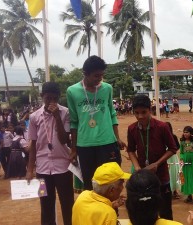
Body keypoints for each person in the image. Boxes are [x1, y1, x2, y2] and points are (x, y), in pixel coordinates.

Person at [66, 55, 126, 190]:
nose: (99, 79)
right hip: (85, 145)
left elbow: (112, 114)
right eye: (96, 76)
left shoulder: (107, 89)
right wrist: (74, 149)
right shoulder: (72, 91)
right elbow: (74, 122)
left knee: (111, 182)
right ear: (85, 74)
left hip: (108, 143)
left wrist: (117, 138)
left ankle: (111, 211)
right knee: (90, 183)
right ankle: (94, 210)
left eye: (101, 75)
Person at [26, 82, 74, 225]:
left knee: (67, 203)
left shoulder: (65, 112)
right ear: (42, 97)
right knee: (45, 205)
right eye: (48, 98)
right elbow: (33, 145)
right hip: (42, 169)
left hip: (63, 167)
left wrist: (57, 117)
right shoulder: (34, 117)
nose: (52, 102)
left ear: (59, 97)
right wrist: (30, 170)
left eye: (55, 98)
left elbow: (64, 139)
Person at [127, 94, 178, 220]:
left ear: (150, 110)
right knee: (144, 211)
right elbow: (131, 150)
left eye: (144, 112)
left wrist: (157, 163)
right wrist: (137, 167)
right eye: (136, 113)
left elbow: (173, 148)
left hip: (161, 175)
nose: (140, 116)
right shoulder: (132, 129)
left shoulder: (162, 127)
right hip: (142, 178)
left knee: (165, 211)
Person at [166, 122, 181, 199]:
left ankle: (175, 191)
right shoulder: (161, 137)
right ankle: (168, 191)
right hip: (165, 158)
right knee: (167, 174)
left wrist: (172, 151)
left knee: (174, 173)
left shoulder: (173, 136)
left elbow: (178, 146)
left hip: (173, 157)